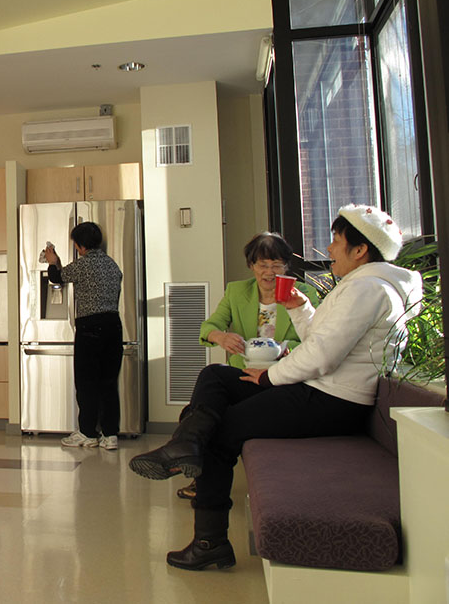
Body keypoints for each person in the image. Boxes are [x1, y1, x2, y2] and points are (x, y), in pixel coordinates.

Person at [129, 204, 422, 571]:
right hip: (319, 388)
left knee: (222, 432)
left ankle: (209, 540)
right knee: (216, 377)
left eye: (335, 241)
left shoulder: (367, 289)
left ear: (360, 250)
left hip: (331, 398)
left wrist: (269, 376)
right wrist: (299, 309)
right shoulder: (359, 286)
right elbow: (322, 339)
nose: (329, 250)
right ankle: (185, 443)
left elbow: (322, 356)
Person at [177, 232, 319, 500]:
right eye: (262, 265)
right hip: (242, 377)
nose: (269, 272)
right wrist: (221, 336)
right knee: (196, 410)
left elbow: (321, 342)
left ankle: (193, 462)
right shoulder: (237, 291)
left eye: (276, 265)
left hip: (283, 379)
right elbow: (209, 327)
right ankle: (197, 470)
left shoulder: (305, 294)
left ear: (286, 266)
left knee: (212, 416)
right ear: (251, 266)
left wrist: (287, 347)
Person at [45, 221, 123, 451]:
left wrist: (52, 263)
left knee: (87, 382)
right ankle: (110, 435)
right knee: (109, 383)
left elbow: (57, 278)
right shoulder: (112, 265)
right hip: (113, 325)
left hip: (90, 326)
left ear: (80, 246)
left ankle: (88, 432)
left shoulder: (83, 265)